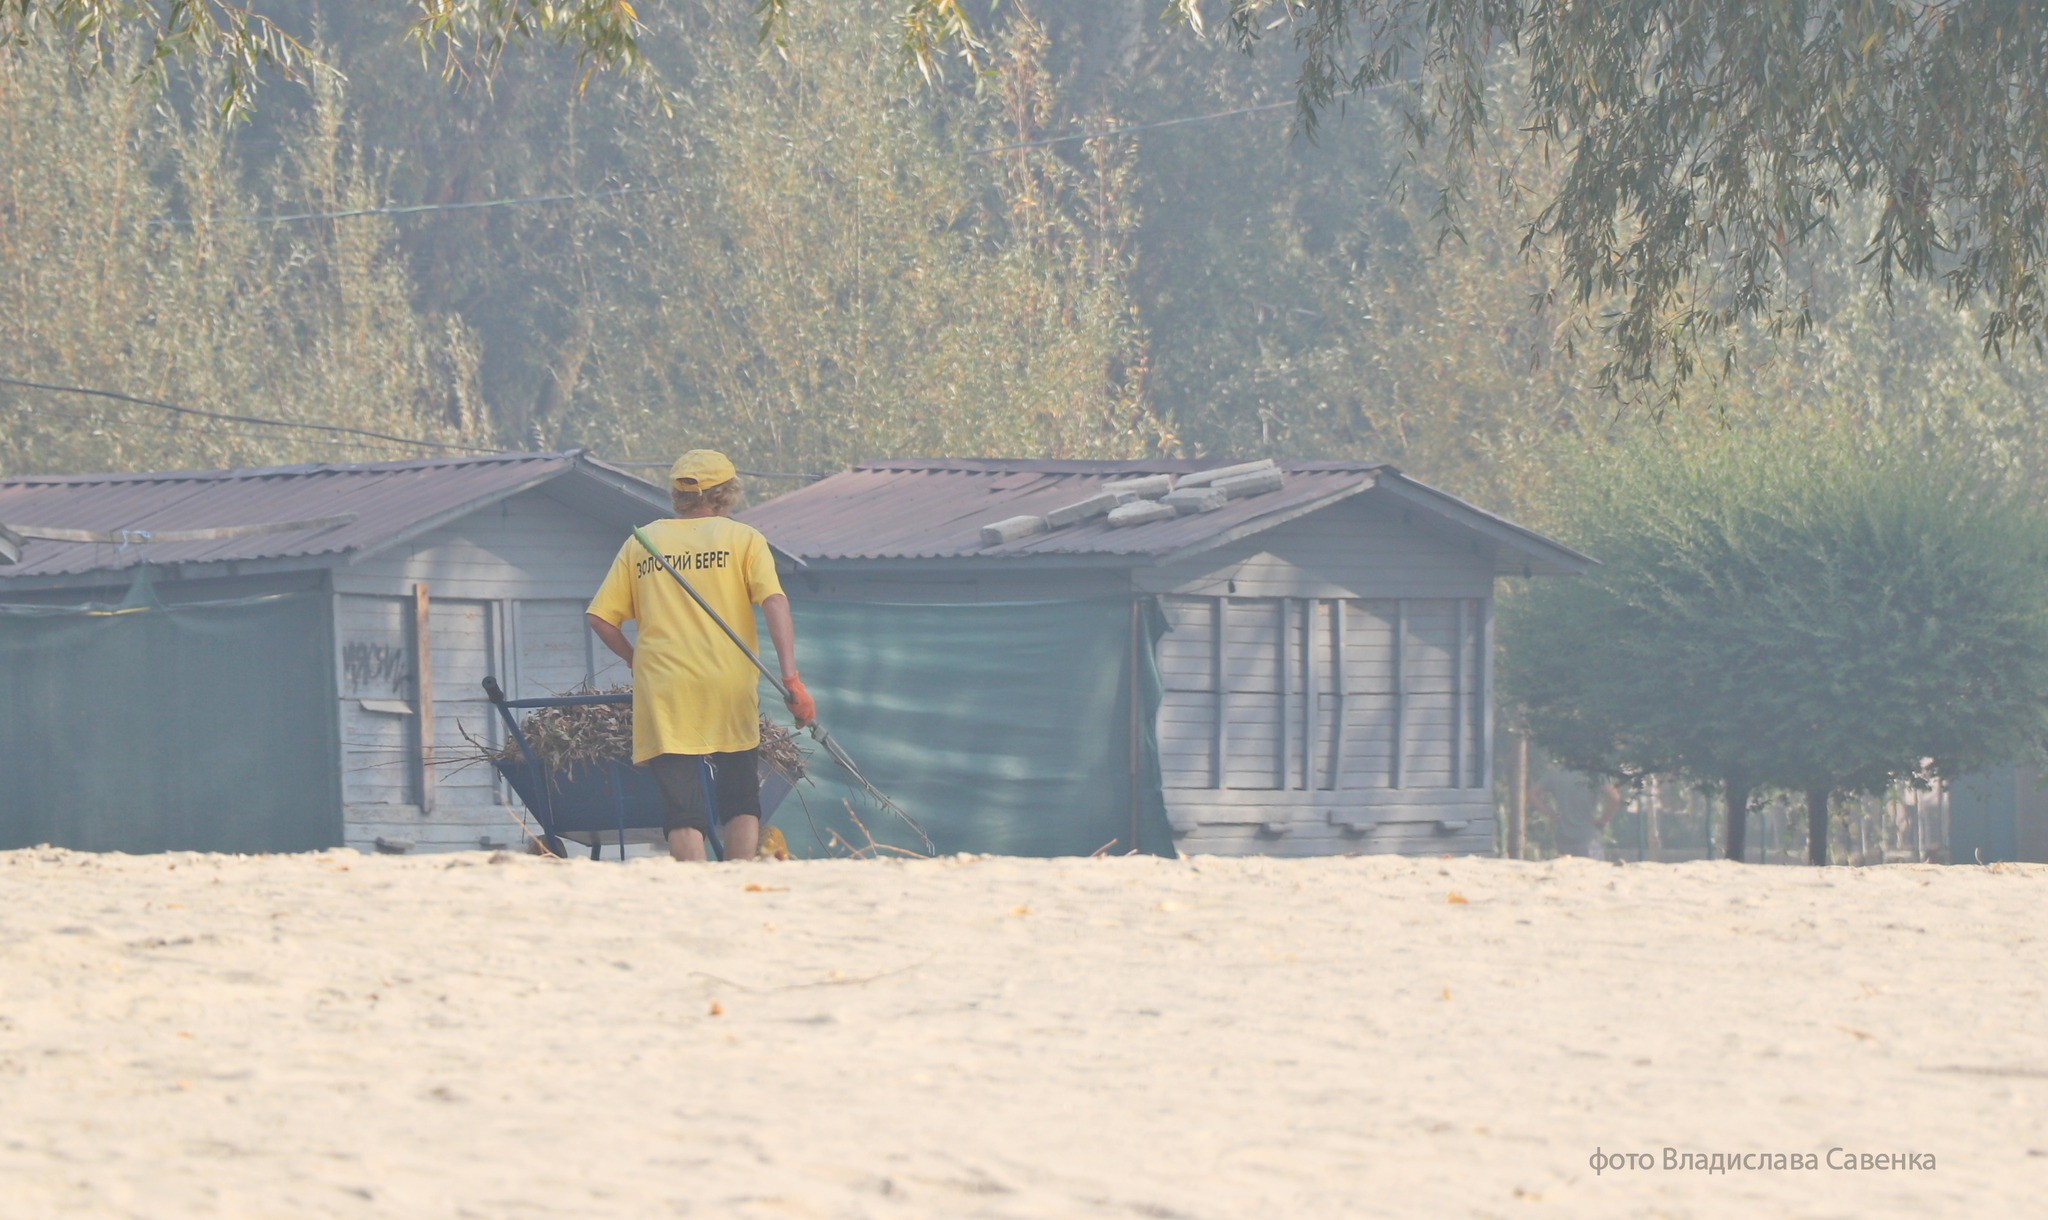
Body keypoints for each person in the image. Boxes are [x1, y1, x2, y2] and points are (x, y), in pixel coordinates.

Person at [585, 450, 815, 861]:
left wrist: (634, 659)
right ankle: (737, 882)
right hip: (727, 683)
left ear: (678, 494)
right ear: (726, 492)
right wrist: (790, 678)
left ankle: (696, 891)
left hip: (665, 688)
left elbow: (600, 618)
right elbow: (774, 602)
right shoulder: (742, 539)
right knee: (741, 799)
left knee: (682, 813)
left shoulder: (643, 543)